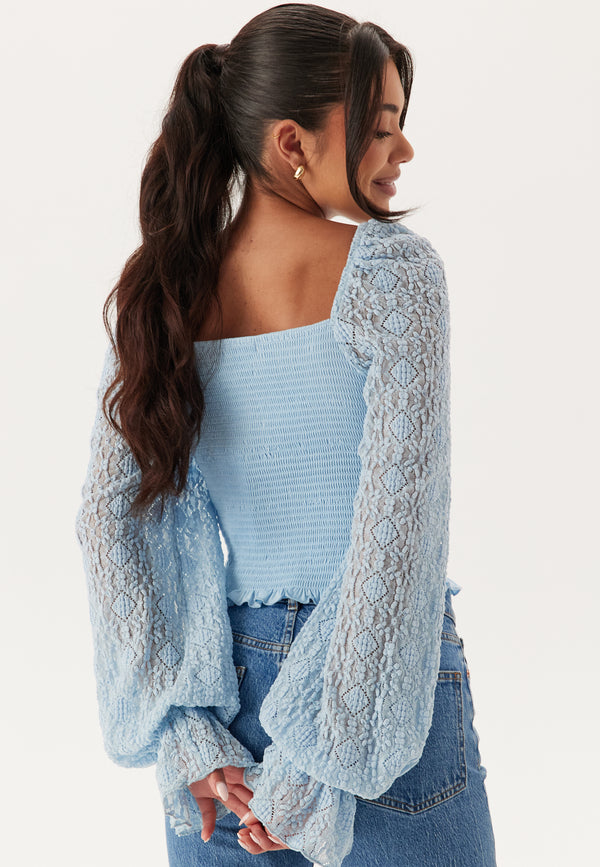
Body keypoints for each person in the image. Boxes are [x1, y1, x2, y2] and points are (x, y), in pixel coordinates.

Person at [74, 3, 497, 865]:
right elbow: (398, 530)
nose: (403, 150)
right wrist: (324, 751)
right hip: (380, 697)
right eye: (381, 126)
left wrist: (185, 729)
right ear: (292, 143)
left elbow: (109, 520)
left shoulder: (170, 291)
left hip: (226, 703)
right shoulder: (392, 273)